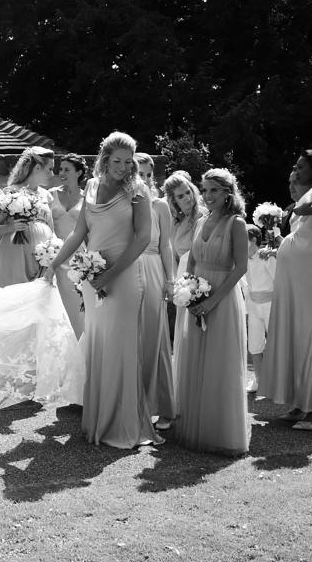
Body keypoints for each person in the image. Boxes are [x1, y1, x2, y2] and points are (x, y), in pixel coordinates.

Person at [45, 132, 169, 449]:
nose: (124, 167)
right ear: (104, 159)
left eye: (129, 162)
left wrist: (111, 274)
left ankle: (125, 425)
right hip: (92, 276)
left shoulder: (138, 191)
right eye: (117, 161)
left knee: (122, 348)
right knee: (99, 346)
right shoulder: (91, 186)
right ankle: (101, 420)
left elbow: (143, 239)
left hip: (125, 277)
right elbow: (78, 233)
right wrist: (54, 263)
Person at [259, 149, 312, 431]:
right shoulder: (310, 195)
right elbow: (301, 233)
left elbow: (301, 209)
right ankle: (299, 403)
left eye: (301, 167)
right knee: (296, 338)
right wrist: (278, 242)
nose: (296, 170)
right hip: (295, 280)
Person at [173, 168, 250, 456]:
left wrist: (212, 301)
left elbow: (240, 267)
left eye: (215, 190)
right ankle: (195, 425)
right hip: (197, 296)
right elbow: (191, 261)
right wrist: (190, 293)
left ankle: (220, 433)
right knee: (195, 360)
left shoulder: (236, 223)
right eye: (204, 190)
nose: (208, 196)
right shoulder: (202, 220)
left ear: (229, 192)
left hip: (223, 298)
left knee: (219, 364)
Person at [135, 152, 177, 430]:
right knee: (128, 337)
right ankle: (132, 405)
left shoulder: (160, 205)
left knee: (155, 336)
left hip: (152, 268)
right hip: (125, 268)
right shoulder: (122, 201)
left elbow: (166, 245)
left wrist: (170, 281)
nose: (147, 179)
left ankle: (162, 406)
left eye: (150, 174)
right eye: (141, 172)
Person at [162, 171, 207, 381]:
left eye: (188, 192)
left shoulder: (205, 216)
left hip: (202, 280)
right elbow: (172, 256)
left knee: (201, 331)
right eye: (180, 196)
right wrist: (171, 285)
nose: (187, 198)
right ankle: (184, 380)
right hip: (182, 282)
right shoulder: (175, 223)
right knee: (183, 331)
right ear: (173, 201)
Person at [0, 146, 56, 287]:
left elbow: (51, 228)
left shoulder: (47, 195)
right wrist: (11, 227)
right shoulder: (11, 192)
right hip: (16, 254)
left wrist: (54, 251)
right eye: (49, 169)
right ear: (37, 167)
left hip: (42, 256)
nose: (52, 174)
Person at [48, 153, 87, 337]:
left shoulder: (88, 198)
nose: (61, 173)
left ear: (79, 172)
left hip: (79, 259)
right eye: (60, 169)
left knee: (78, 309)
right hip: (54, 257)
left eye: (67, 169)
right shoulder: (50, 195)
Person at [243, 224, 276, 393]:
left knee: (276, 344)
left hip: (271, 306)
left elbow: (278, 281)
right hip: (253, 308)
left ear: (254, 240)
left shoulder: (266, 257)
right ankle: (259, 380)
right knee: (254, 345)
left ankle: (279, 381)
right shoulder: (241, 260)